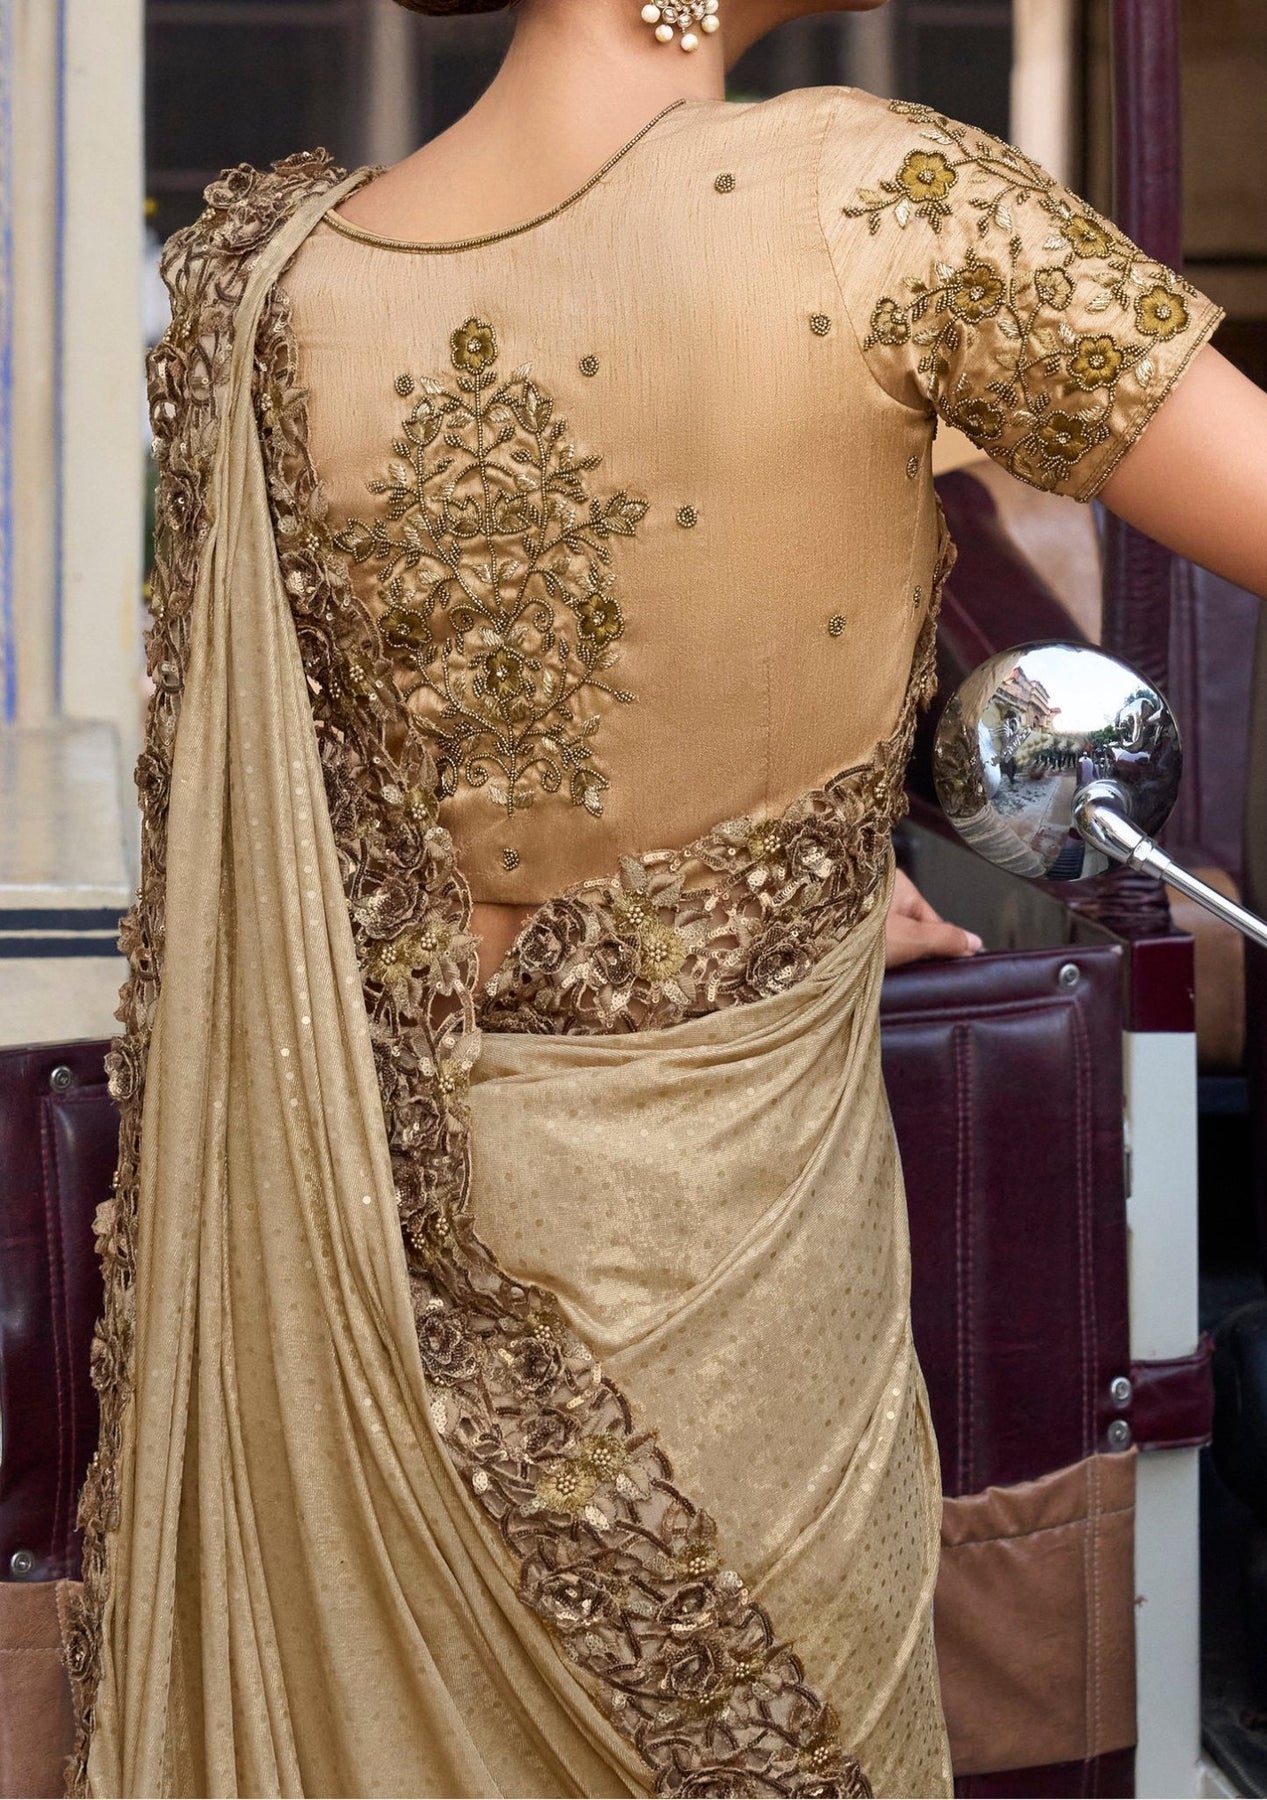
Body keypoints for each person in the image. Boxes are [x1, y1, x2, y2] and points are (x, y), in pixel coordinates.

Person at [65, 0, 1267, 1795]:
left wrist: (791, 874)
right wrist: (765, 889)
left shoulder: (271, 291)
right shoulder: (881, 201)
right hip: (731, 1295)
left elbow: (344, 826)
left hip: (346, 1285)